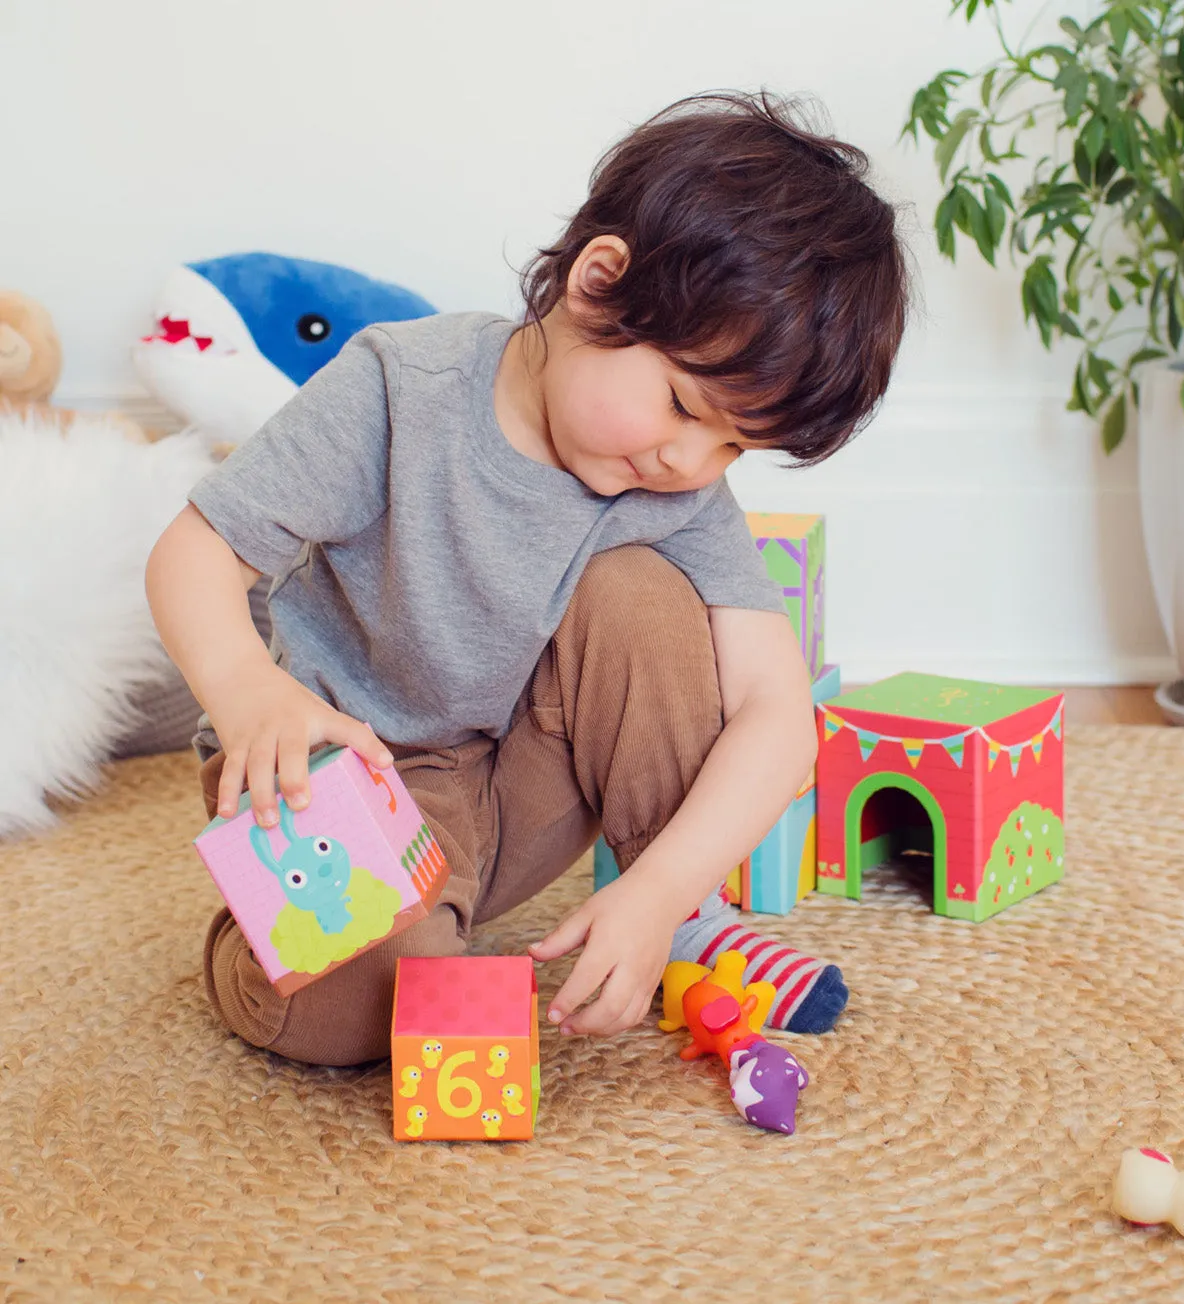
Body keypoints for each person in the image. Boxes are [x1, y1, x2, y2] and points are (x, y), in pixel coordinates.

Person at [145, 89, 911, 1067]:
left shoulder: (672, 493)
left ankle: (679, 932)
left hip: (508, 776)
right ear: (596, 285)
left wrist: (662, 885)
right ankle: (260, 952)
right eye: (683, 406)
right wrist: (252, 693)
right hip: (334, 773)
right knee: (346, 1021)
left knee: (640, 599)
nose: (692, 463)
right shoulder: (398, 390)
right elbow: (192, 549)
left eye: (733, 445)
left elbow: (774, 708)